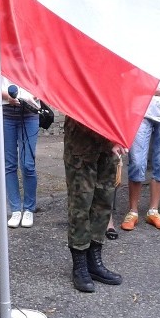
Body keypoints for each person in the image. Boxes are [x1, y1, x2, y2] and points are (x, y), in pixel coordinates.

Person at [64, 116, 124, 292]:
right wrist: (111, 140)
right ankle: (80, 266)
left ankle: (94, 262)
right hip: (82, 142)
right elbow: (80, 107)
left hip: (110, 143)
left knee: (103, 202)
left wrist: (122, 136)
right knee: (80, 205)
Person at [122, 56, 160, 232]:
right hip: (141, 111)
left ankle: (153, 211)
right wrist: (157, 92)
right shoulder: (144, 50)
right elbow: (132, 83)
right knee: (137, 161)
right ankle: (132, 211)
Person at [0, 72, 41, 228]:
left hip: (30, 114)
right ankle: (15, 209)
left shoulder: (33, 52)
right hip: (6, 115)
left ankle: (29, 209)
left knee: (27, 164)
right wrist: (7, 97)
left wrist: (34, 96)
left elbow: (43, 83)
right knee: (9, 164)